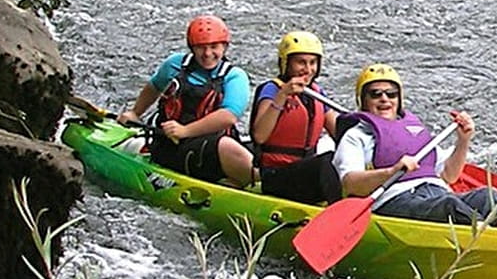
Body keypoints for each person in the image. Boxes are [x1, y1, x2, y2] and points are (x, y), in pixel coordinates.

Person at [334, 64, 497, 228]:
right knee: (449, 205)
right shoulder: (357, 136)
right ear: (363, 100)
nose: (385, 99)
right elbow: (351, 183)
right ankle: (496, 241)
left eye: (391, 94)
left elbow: (449, 176)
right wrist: (391, 172)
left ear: (399, 99)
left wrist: (463, 141)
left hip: (436, 192)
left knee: (487, 196)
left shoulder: (414, 130)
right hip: (393, 201)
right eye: (375, 94)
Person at [119, 15, 254, 186]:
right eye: (201, 48)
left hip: (207, 145)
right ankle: (252, 177)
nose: (207, 54)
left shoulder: (234, 76)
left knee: (253, 147)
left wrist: (185, 130)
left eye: (214, 47)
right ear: (192, 47)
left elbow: (229, 116)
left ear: (225, 47)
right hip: (171, 146)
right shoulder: (175, 65)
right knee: (227, 146)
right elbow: (154, 86)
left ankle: (260, 176)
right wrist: (135, 112)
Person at [248, 31, 342, 204]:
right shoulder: (273, 90)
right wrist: (283, 96)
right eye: (301, 62)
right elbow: (260, 135)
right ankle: (339, 210)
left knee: (341, 159)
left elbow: (338, 131)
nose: (307, 69)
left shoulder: (316, 93)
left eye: (313, 63)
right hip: (275, 175)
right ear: (286, 63)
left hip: (303, 171)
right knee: (326, 161)